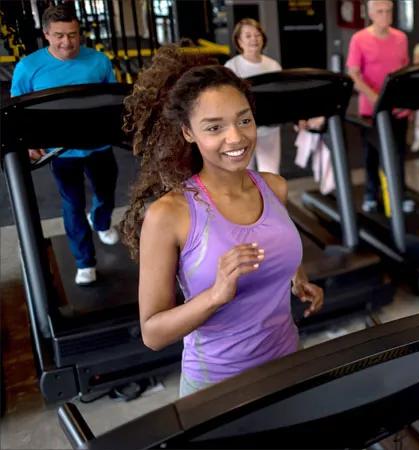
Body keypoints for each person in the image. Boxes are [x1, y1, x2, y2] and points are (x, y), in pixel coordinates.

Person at [120, 45, 324, 397]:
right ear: (188, 132)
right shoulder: (169, 215)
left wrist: (297, 277)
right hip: (218, 387)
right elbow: (153, 334)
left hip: (288, 363)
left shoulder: (274, 187)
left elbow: (276, 242)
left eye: (244, 120)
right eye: (214, 127)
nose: (236, 137)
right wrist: (215, 295)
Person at [10, 4, 119, 286]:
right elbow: (18, 110)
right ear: (46, 34)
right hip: (61, 151)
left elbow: (113, 102)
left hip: (99, 145)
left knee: (106, 194)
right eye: (59, 35)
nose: (67, 42)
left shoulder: (98, 61)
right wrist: (29, 143)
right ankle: (85, 262)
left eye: (72, 34)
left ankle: (102, 221)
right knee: (72, 204)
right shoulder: (28, 67)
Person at [346, 0, 413, 213]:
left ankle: (400, 196)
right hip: (371, 109)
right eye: (380, 12)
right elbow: (354, 73)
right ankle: (370, 194)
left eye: (388, 11)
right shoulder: (359, 39)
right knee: (372, 155)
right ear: (370, 14)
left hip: (397, 108)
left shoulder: (401, 38)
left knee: (398, 154)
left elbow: (405, 72)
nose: (385, 15)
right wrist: (374, 96)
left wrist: (407, 103)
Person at [225, 18, 282, 174]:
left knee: (270, 175)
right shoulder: (231, 67)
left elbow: (281, 98)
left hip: (269, 129)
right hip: (241, 132)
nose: (254, 39)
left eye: (257, 35)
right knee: (244, 174)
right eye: (248, 36)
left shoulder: (273, 65)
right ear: (239, 41)